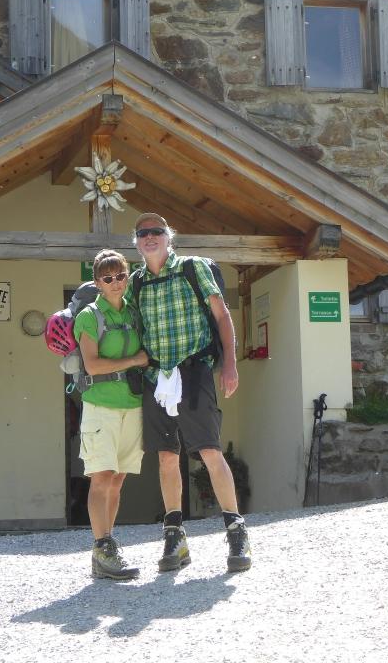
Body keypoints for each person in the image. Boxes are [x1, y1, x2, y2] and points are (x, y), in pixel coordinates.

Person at [124, 213, 252, 573]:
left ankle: (236, 530)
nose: (149, 237)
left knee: (210, 450)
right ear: (136, 242)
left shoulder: (193, 269)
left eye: (156, 232)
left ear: (169, 237)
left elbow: (223, 315)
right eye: (142, 233)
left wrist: (230, 363)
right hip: (156, 378)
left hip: (194, 371)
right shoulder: (136, 283)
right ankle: (175, 536)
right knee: (166, 456)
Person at [74, 249, 151, 580]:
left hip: (132, 405)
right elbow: (92, 364)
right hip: (101, 405)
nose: (116, 282)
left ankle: (105, 552)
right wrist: (134, 361)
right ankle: (103, 546)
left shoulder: (134, 313)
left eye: (120, 275)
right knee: (102, 476)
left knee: (118, 479)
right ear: (97, 282)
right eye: (108, 278)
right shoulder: (89, 317)